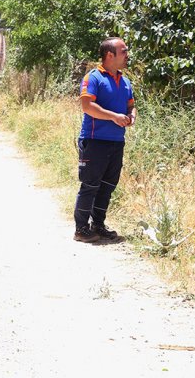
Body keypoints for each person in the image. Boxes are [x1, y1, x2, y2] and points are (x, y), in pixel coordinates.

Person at [73, 37, 137, 243]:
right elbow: (87, 106)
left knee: (108, 186)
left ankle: (98, 225)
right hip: (94, 140)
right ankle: (81, 229)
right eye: (124, 51)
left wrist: (131, 115)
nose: (127, 55)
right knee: (90, 185)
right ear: (110, 55)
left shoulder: (125, 81)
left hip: (116, 142)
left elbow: (131, 105)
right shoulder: (93, 78)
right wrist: (113, 117)